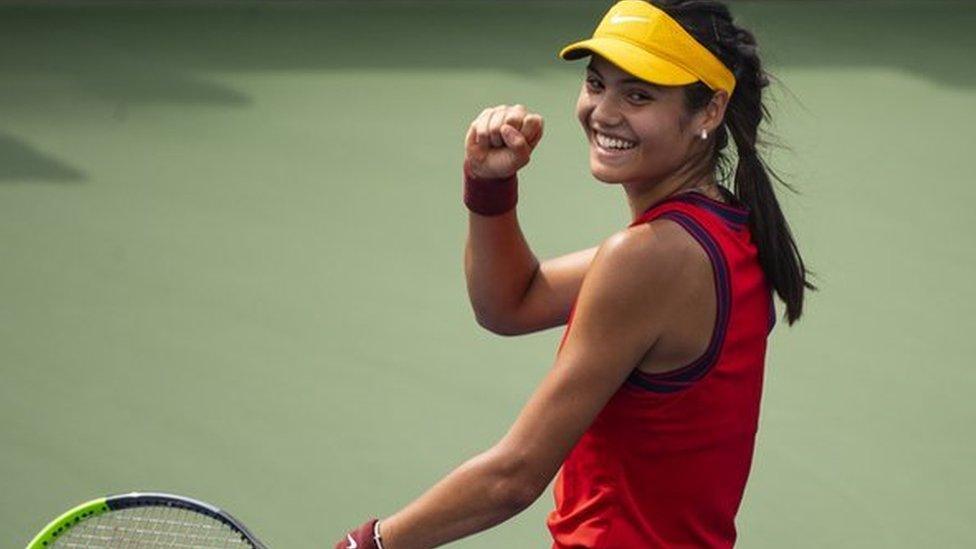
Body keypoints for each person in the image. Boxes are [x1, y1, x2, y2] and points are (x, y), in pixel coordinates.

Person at [335, 0, 814, 547]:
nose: (604, 112)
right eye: (596, 84)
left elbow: (512, 478)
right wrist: (489, 188)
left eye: (639, 95)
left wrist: (368, 543)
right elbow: (510, 303)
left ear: (709, 111)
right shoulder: (725, 233)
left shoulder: (650, 258)